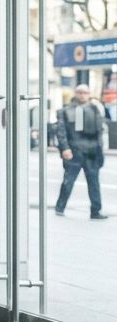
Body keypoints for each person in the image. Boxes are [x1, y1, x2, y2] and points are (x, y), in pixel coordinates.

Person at [55, 84, 108, 220]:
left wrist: (100, 151)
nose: (83, 95)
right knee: (68, 181)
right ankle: (60, 207)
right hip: (74, 152)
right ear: (75, 93)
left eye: (85, 92)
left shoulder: (95, 109)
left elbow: (100, 132)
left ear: (89, 94)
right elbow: (61, 132)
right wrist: (65, 148)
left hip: (92, 153)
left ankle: (96, 211)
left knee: (94, 183)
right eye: (80, 92)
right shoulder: (65, 111)